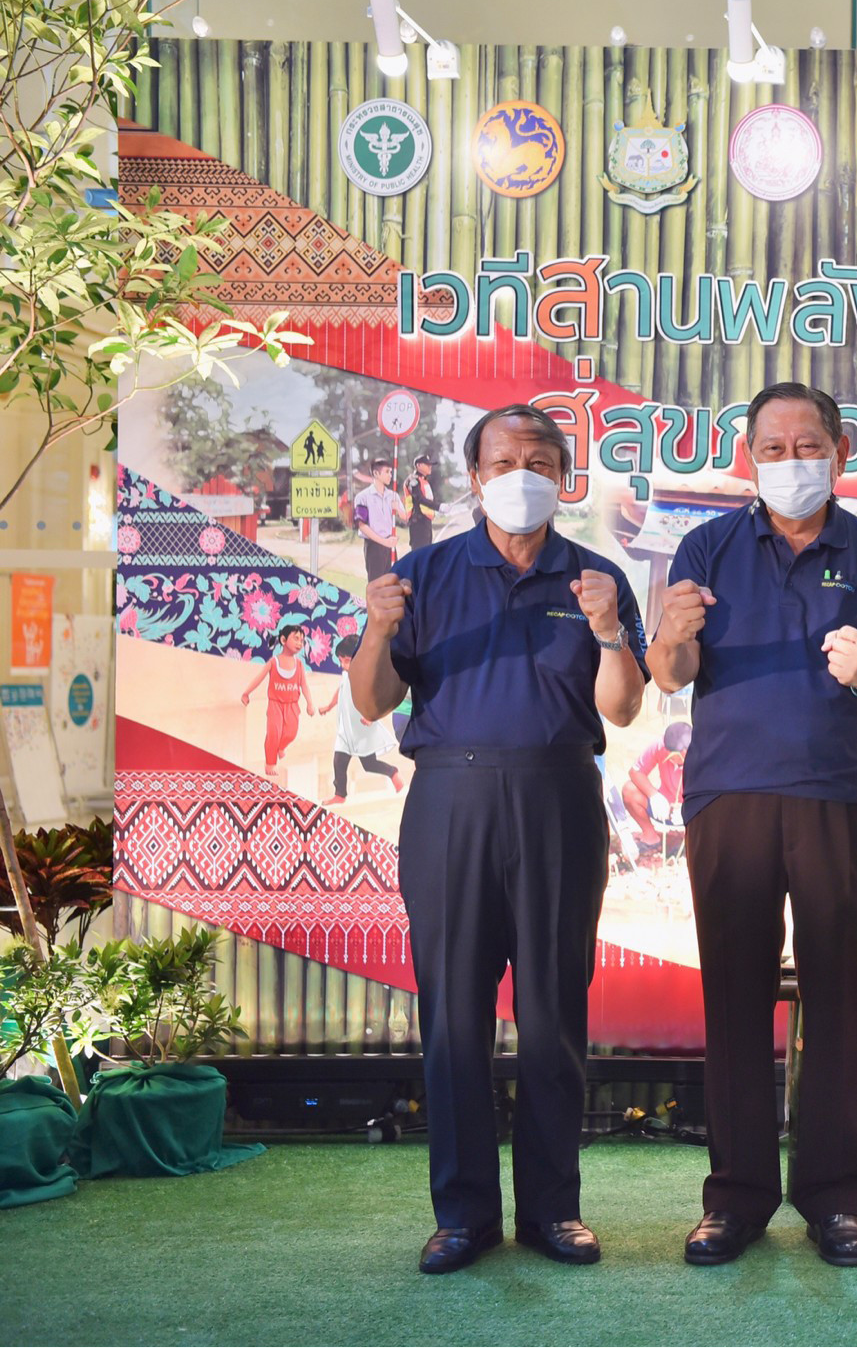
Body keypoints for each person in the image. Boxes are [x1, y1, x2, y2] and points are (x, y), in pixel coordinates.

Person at [348, 403, 649, 1274]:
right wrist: (376, 627)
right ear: (475, 477)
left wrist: (604, 634)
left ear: (564, 478)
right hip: (451, 800)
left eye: (541, 462)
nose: (523, 475)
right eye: (504, 460)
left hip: (559, 794)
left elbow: (623, 708)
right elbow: (371, 703)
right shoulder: (424, 574)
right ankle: (463, 1214)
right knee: (453, 1017)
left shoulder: (597, 577)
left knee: (554, 1011)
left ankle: (555, 1210)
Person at [647, 382, 857, 1270]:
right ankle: (737, 1199)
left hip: (839, 792)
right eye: (774, 446)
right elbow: (670, 672)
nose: (792, 460)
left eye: (809, 445)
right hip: (729, 794)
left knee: (840, 997)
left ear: (840, 452)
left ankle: (836, 1198)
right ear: (745, 456)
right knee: (734, 997)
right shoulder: (706, 545)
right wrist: (670, 634)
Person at [321, 635, 403, 804]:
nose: (344, 665)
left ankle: (392, 772)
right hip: (347, 729)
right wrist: (329, 706)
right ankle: (340, 794)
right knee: (339, 761)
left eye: (347, 660)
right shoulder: (346, 675)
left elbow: (377, 698)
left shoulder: (366, 677)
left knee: (369, 764)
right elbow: (341, 691)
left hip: (362, 727)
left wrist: (371, 717)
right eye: (341, 661)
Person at [240, 623, 316, 777]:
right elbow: (259, 678)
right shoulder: (274, 662)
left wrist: (309, 703)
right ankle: (270, 762)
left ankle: (281, 747)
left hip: (292, 706)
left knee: (291, 733)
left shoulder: (299, 664)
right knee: (274, 733)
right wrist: (246, 693)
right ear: (283, 640)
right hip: (275, 704)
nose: (299, 643)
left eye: (301, 640)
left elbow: (304, 685)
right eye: (295, 639)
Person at [620, 721, 690, 866]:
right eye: (671, 754)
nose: (675, 757)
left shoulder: (703, 752)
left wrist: (688, 809)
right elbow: (635, 771)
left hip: (691, 809)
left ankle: (692, 843)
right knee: (629, 790)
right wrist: (654, 795)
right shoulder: (660, 746)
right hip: (664, 808)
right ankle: (651, 837)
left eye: (680, 754)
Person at [355, 458, 406, 579]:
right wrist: (384, 542)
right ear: (376, 474)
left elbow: (405, 517)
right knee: (376, 585)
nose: (390, 475)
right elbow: (362, 526)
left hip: (390, 545)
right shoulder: (363, 497)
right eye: (387, 472)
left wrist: (397, 508)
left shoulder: (393, 495)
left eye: (391, 472)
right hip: (374, 546)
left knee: (392, 583)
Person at [405, 455, 442, 553]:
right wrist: (439, 507)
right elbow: (419, 499)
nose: (430, 467)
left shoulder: (423, 481)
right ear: (418, 465)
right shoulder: (413, 480)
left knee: (427, 555)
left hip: (426, 522)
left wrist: (435, 512)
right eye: (427, 465)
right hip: (417, 522)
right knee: (419, 555)